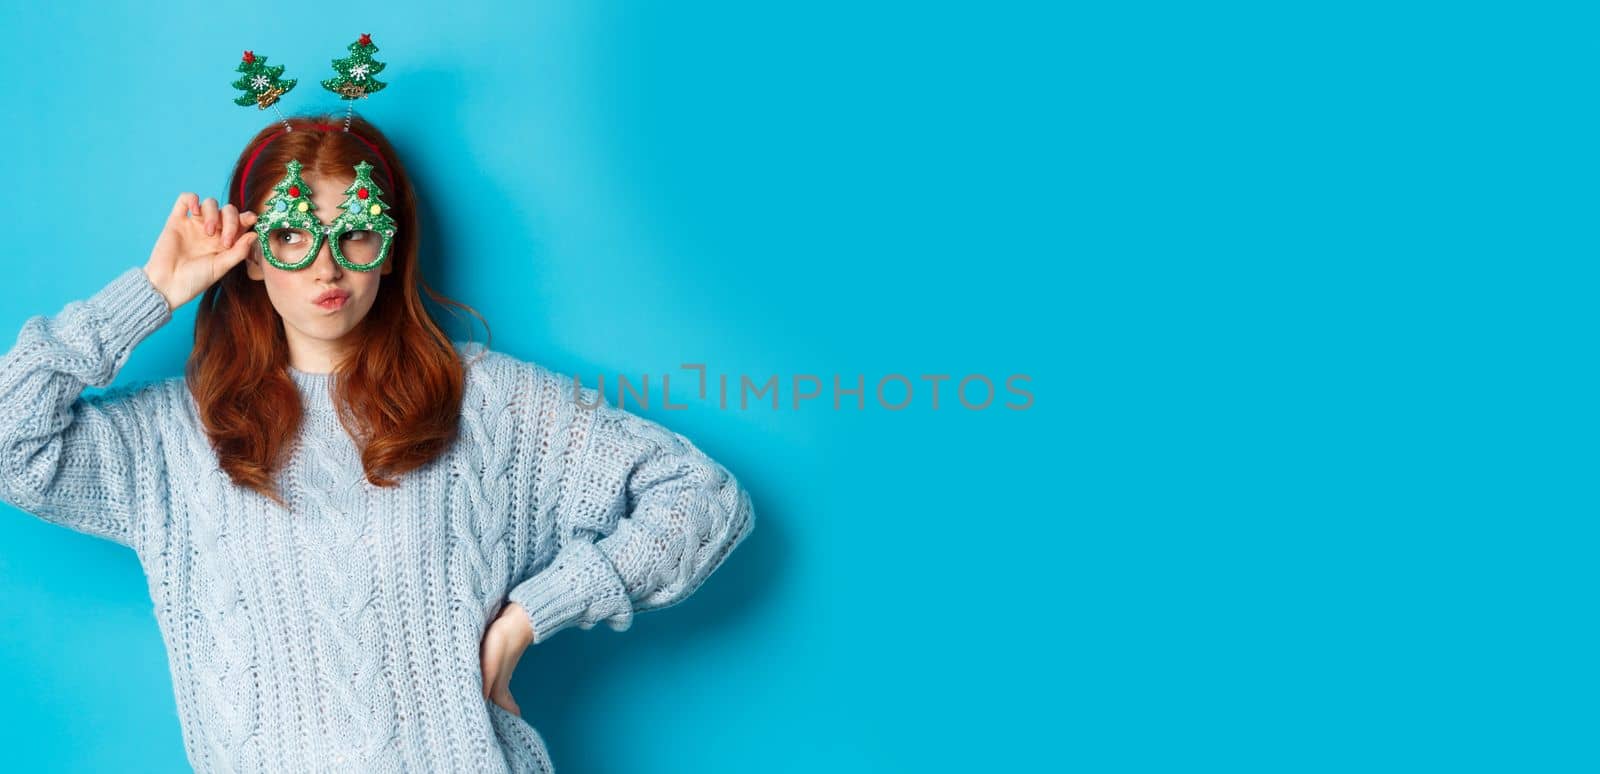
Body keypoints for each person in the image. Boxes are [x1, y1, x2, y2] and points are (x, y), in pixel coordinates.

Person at [0, 113, 755, 773]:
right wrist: (152, 291)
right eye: (293, 234)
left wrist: (530, 616)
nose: (327, 265)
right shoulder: (170, 439)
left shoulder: (486, 402)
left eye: (356, 232)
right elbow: (11, 440)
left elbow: (703, 499)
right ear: (254, 255)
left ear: (389, 250)